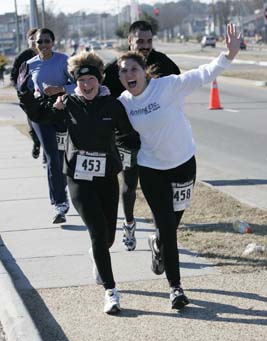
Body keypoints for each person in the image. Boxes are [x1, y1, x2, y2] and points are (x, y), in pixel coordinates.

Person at [117, 23, 241, 310]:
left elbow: (203, 74)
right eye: (123, 72)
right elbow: (95, 107)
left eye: (133, 69)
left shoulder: (167, 87)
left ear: (143, 70)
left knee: (172, 224)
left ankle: (159, 243)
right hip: (151, 169)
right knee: (168, 228)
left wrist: (229, 55)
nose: (128, 75)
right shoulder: (123, 102)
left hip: (184, 164)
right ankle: (176, 288)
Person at [17, 51, 140, 314]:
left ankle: (98, 256)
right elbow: (39, 115)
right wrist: (25, 93)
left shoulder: (113, 105)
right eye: (81, 81)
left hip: (107, 177)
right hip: (78, 178)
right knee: (97, 231)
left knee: (107, 236)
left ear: (99, 79)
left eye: (90, 80)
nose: (86, 85)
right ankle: (111, 291)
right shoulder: (67, 103)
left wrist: (129, 156)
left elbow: (128, 135)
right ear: (75, 82)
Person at [103, 20, 181, 252]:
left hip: (156, 140)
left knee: (159, 190)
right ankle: (128, 223)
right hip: (128, 140)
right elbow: (103, 98)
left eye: (148, 41)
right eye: (140, 41)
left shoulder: (163, 63)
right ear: (130, 41)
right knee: (129, 184)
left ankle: (160, 239)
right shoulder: (116, 68)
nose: (145, 45)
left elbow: (177, 87)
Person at [24, 28, 76, 224]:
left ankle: (64, 190)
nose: (43, 45)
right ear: (34, 44)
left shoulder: (64, 61)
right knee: (52, 156)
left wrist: (60, 90)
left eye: (47, 41)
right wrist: (34, 96)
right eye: (40, 42)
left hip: (62, 112)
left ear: (53, 42)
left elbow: (79, 85)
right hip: (41, 114)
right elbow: (25, 91)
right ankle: (59, 204)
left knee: (62, 156)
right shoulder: (30, 64)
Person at [10, 28, 42, 159]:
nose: (35, 41)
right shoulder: (23, 57)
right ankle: (36, 142)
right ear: (28, 40)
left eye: (38, 38)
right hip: (29, 96)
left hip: (47, 96)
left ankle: (48, 151)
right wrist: (21, 91)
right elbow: (14, 76)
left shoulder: (49, 55)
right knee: (33, 122)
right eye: (32, 38)